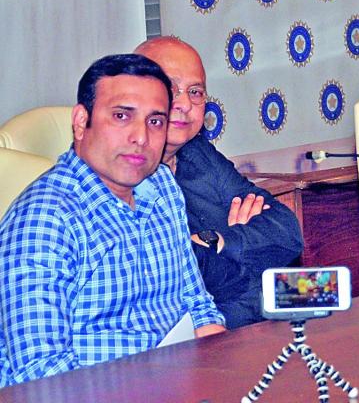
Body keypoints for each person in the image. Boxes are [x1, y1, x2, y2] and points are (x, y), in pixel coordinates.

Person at [0, 54, 225, 387]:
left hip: (176, 384)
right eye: (122, 116)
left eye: (155, 121)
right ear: (80, 121)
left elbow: (197, 305)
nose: (140, 137)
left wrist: (226, 377)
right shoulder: (45, 220)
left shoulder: (161, 185)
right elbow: (41, 376)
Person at [134, 37, 303, 329]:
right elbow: (188, 274)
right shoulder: (122, 173)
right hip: (192, 340)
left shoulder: (197, 152)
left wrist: (221, 239)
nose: (185, 104)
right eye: (172, 89)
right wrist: (244, 254)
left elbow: (288, 232)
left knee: (335, 303)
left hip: (256, 317)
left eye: (196, 92)